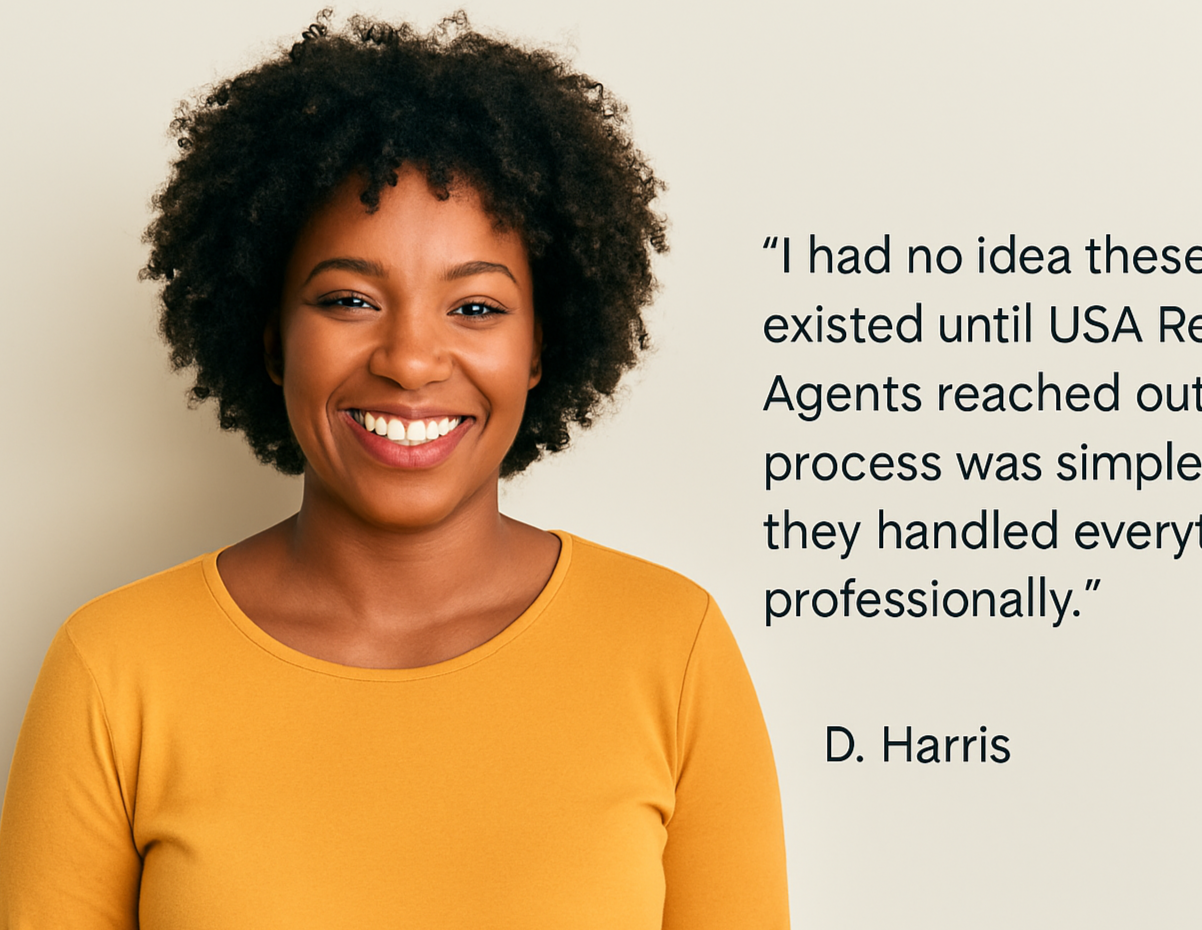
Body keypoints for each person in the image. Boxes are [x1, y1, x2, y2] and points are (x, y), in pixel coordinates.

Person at [0, 12, 788, 928]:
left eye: (477, 306)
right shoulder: (116, 669)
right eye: (349, 299)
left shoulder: (671, 649)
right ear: (270, 336)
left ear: (542, 346)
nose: (410, 360)